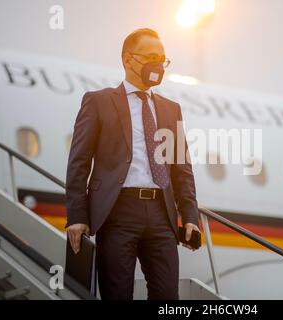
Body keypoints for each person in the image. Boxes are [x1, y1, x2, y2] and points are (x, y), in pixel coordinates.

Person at [65, 28, 200, 300]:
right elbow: (79, 162)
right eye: (151, 56)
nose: (158, 64)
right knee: (117, 294)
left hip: (161, 215)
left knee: (167, 297)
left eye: (162, 58)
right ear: (128, 59)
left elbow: (181, 167)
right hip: (117, 212)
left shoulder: (170, 109)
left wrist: (190, 216)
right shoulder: (99, 102)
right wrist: (77, 217)